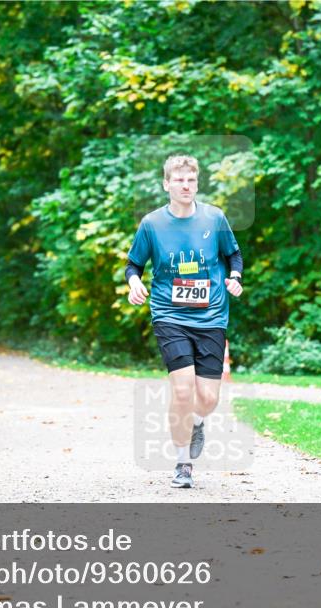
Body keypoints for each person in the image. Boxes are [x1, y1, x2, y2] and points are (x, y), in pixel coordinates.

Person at [126, 155, 244, 489]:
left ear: (196, 183)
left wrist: (234, 277)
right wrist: (135, 284)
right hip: (169, 315)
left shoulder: (214, 218)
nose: (185, 186)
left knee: (207, 399)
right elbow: (133, 265)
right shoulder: (152, 224)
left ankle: (195, 422)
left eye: (191, 180)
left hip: (211, 317)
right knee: (181, 389)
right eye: (178, 180)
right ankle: (182, 463)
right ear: (166, 184)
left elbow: (233, 255)